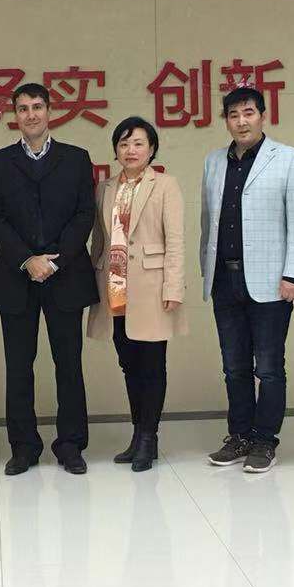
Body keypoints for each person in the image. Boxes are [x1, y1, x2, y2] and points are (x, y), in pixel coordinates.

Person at [0, 83, 97, 476]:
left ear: (50, 111)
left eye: (37, 107)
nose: (30, 114)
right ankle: (23, 447)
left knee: (69, 364)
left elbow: (84, 215)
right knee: (18, 366)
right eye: (23, 108)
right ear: (15, 115)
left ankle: (71, 444)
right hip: (16, 277)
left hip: (66, 276)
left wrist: (54, 261)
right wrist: (27, 259)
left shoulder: (76, 159)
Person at [199, 84, 294, 474]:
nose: (241, 121)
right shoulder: (214, 161)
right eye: (233, 115)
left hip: (272, 282)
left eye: (248, 113)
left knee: (269, 367)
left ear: (263, 116)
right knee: (234, 367)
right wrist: (207, 270)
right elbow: (208, 222)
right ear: (226, 121)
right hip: (224, 280)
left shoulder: (289, 159)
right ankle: (240, 435)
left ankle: (265, 440)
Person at [87, 117, 186, 472]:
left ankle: (149, 436)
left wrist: (173, 287)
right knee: (128, 363)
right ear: (116, 149)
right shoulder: (105, 188)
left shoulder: (165, 184)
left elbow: (175, 240)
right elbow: (99, 239)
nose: (130, 150)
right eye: (124, 143)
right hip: (114, 288)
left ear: (151, 149)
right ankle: (138, 434)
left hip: (152, 287)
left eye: (138, 143)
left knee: (152, 364)